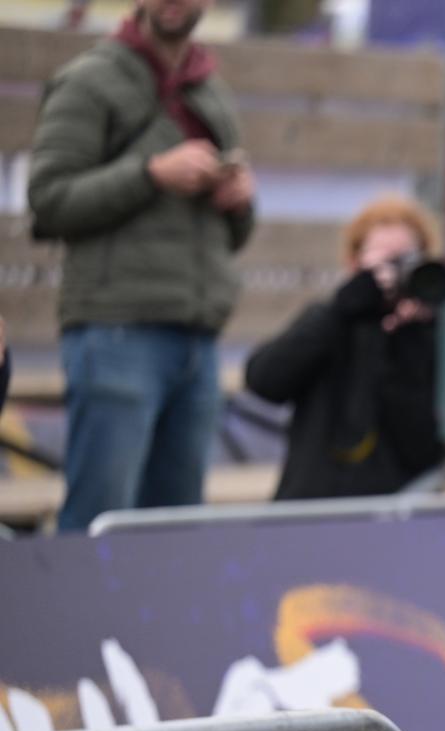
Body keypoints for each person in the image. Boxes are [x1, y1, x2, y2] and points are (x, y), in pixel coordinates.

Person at [27, 0, 254, 532]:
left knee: (173, 536)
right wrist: (151, 174)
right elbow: (48, 201)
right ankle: (79, 619)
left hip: (197, 342)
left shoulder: (210, 90)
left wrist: (239, 201)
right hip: (115, 334)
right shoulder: (89, 80)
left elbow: (235, 236)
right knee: (97, 524)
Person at [245, 196, 445, 500]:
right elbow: (264, 381)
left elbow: (426, 451)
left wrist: (413, 341)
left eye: (406, 260)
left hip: (398, 514)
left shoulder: (432, 338)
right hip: (314, 507)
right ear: (355, 262)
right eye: (384, 261)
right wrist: (343, 310)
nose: (395, 274)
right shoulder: (331, 321)